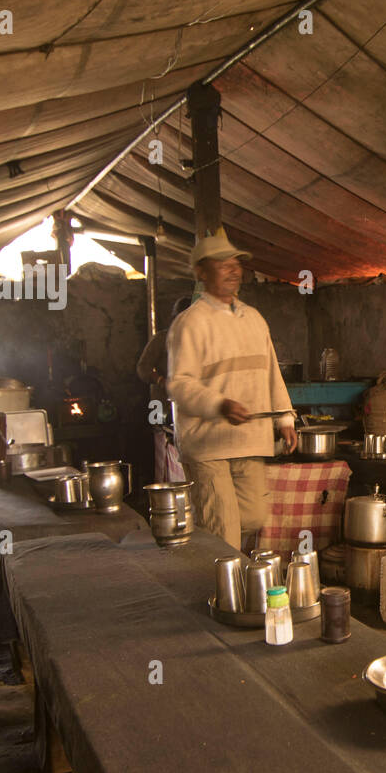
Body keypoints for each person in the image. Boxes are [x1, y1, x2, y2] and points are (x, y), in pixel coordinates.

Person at [166, 230, 296, 551]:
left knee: (253, 516)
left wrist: (285, 419)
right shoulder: (190, 322)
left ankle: (212, 558)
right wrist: (220, 404)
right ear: (201, 272)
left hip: (249, 440)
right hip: (208, 445)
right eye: (222, 264)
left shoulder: (254, 318)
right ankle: (218, 577)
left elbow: (271, 371)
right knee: (223, 530)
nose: (233, 270)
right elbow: (179, 384)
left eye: (236, 263)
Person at [137, 295, 191, 483]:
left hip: (186, 404)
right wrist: (161, 381)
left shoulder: (197, 341)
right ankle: (162, 484)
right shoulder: (161, 339)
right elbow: (142, 368)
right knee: (160, 440)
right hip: (160, 402)